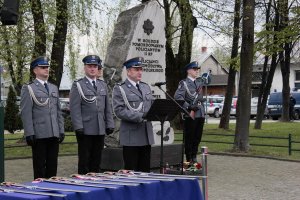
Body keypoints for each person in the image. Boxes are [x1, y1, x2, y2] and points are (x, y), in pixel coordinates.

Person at [20, 56, 64, 179]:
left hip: (53, 133)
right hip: (39, 134)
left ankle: (51, 191)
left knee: (52, 166)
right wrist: (29, 133)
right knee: (39, 168)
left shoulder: (53, 87)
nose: (46, 69)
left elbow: (58, 112)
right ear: (35, 70)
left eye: (47, 67)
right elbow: (26, 113)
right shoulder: (29, 88)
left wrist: (61, 130)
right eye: (43, 67)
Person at [69, 55, 114, 174]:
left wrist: (109, 124)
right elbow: (75, 108)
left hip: (100, 128)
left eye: (95, 66)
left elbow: (107, 107)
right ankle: (83, 186)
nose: (93, 69)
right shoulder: (78, 85)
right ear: (85, 68)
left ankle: (96, 185)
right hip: (85, 129)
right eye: (90, 66)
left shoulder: (102, 85)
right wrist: (78, 126)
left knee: (97, 160)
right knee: (84, 161)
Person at [112, 57, 154, 172]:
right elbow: (119, 110)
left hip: (146, 135)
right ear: (129, 71)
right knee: (131, 171)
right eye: (136, 69)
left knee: (145, 171)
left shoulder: (145, 87)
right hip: (131, 136)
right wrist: (140, 116)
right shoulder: (120, 88)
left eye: (141, 69)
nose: (140, 72)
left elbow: (150, 105)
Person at [174, 61, 205, 163]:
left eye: (197, 69)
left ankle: (194, 156)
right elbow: (178, 97)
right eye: (194, 69)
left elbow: (200, 98)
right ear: (188, 71)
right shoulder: (184, 83)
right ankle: (189, 159)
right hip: (191, 114)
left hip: (200, 113)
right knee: (189, 138)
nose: (197, 71)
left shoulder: (199, 82)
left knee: (197, 137)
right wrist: (189, 107)